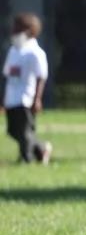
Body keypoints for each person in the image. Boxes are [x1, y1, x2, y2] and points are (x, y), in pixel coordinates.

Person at [3, 13, 52, 164]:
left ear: (30, 31)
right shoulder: (13, 51)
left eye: (18, 28)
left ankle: (27, 159)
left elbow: (41, 76)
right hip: (11, 98)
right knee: (12, 131)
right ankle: (41, 149)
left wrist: (37, 99)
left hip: (25, 98)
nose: (14, 31)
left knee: (24, 132)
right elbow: (8, 75)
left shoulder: (35, 53)